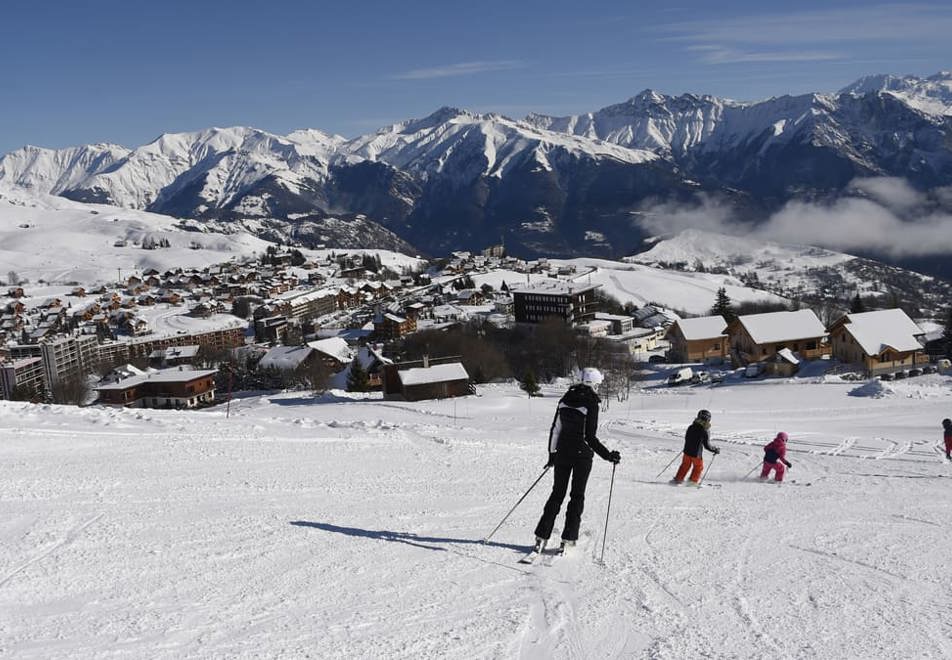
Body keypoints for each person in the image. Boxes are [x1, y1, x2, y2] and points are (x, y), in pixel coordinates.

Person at [532, 367, 621, 554]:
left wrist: (552, 454)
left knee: (557, 494)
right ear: (594, 384)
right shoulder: (591, 403)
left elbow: (555, 429)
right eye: (598, 384)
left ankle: (542, 536)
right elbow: (590, 437)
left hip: (562, 452)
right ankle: (568, 537)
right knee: (576, 496)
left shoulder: (565, 398)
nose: (598, 387)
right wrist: (608, 455)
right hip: (582, 456)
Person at [670, 409, 720, 486]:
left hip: (687, 451)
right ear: (708, 419)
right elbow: (707, 445)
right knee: (698, 467)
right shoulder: (705, 430)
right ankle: (692, 482)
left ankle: (678, 480)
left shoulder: (691, 426)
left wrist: (688, 446)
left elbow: (687, 438)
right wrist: (715, 450)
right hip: (696, 454)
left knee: (685, 466)